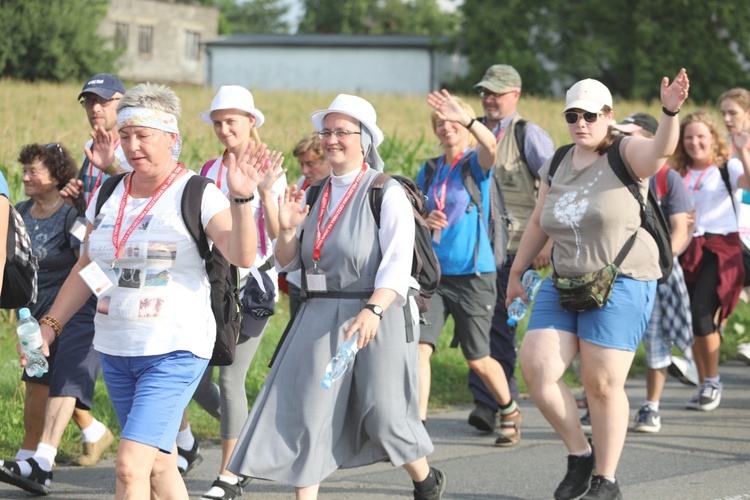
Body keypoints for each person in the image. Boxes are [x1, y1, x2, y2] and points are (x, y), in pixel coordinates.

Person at [14, 83, 268, 499]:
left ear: (172, 138)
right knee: (161, 466)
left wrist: (241, 199)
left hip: (174, 349)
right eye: (126, 135)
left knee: (131, 467)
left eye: (144, 135)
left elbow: (241, 255)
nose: (132, 146)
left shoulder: (198, 193)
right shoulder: (109, 193)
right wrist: (50, 327)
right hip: (117, 348)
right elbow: (90, 268)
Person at [227, 94, 445, 500]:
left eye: (342, 132)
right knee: (310, 411)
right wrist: (288, 230)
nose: (331, 140)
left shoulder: (385, 190)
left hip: (376, 312)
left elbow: (397, 262)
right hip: (319, 313)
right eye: (326, 132)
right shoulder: (312, 193)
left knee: (385, 415)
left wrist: (374, 310)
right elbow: (290, 264)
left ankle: (425, 478)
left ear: (364, 140)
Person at [512, 70, 690, 500]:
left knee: (601, 382)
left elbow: (662, 149)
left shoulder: (625, 151)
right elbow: (539, 220)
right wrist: (516, 274)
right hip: (566, 279)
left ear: (608, 115)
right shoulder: (557, 161)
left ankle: (605, 479)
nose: (581, 123)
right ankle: (580, 455)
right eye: (573, 115)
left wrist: (669, 111)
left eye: (591, 115)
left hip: (622, 278)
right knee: (537, 367)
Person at [0, 143, 117, 496]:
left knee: (65, 377)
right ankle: (32, 453)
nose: (25, 177)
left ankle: (42, 461)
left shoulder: (69, 216)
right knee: (36, 380)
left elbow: (90, 261)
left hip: (76, 314)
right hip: (33, 317)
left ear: (55, 176)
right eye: (24, 170)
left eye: (34, 170)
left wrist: (105, 301)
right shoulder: (18, 211)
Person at [194, 84, 287, 500]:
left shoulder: (271, 169)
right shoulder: (207, 169)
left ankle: (229, 474)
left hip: (252, 289)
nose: (223, 128)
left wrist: (264, 194)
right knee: (195, 379)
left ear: (252, 122)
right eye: (217, 122)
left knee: (230, 379)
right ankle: (250, 435)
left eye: (231, 120)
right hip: (213, 286)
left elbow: (279, 231)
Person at [415, 91, 521, 447]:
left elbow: (491, 146)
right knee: (419, 349)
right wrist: (425, 217)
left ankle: (508, 408)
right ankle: (416, 428)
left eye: (453, 122)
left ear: (466, 127)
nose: (447, 127)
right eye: (441, 123)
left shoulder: (475, 163)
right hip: (435, 276)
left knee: (477, 358)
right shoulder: (430, 169)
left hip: (474, 274)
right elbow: (414, 212)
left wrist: (469, 118)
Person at [468, 64, 555, 431]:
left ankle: (498, 404)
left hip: (518, 248)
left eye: (497, 93)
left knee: (500, 325)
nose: (489, 99)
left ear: (515, 95)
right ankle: (491, 401)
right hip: (477, 248)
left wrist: (548, 242)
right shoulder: (472, 130)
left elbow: (557, 188)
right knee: (475, 326)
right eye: (485, 92)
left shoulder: (528, 135)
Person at [610, 114, 695, 433]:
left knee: (657, 340)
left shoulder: (667, 178)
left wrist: (661, 262)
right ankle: (602, 400)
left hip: (655, 272)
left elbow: (679, 230)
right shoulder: (609, 171)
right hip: (613, 274)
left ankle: (651, 407)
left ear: (649, 140)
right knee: (611, 341)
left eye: (627, 134)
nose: (619, 140)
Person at [670, 109, 750, 412]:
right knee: (691, 320)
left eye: (701, 136)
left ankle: (712, 381)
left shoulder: (726, 168)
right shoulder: (678, 172)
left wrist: (742, 149)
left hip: (722, 247)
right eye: (688, 137)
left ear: (712, 138)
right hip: (687, 248)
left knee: (703, 313)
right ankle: (706, 382)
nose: (694, 142)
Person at [60, 74, 131, 216]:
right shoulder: (90, 145)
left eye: (104, 101)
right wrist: (76, 198)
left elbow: (146, 188)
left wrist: (111, 167)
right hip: (91, 232)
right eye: (89, 101)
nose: (95, 108)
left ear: (123, 103)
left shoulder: (133, 146)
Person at [717, 88, 750, 364]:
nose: (727, 118)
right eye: (724, 113)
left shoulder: (739, 146)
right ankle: (703, 363)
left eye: (733, 113)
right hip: (733, 231)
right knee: (720, 293)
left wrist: (742, 151)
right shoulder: (724, 143)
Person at [285, 132, 331, 317]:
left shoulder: (343, 188)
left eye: (310, 164)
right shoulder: (303, 185)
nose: (304, 171)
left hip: (332, 280)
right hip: (300, 279)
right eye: (301, 164)